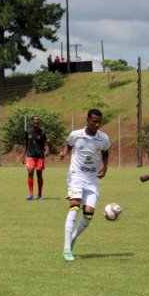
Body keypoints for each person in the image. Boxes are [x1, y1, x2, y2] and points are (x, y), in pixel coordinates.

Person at [60, 109, 110, 262]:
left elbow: (106, 153)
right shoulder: (76, 135)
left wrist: (105, 167)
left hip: (92, 180)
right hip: (76, 176)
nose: (96, 124)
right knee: (74, 206)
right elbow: (69, 145)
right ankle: (67, 249)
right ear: (87, 120)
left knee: (88, 215)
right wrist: (64, 153)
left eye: (98, 122)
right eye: (93, 121)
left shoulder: (103, 138)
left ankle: (73, 238)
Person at [22, 116, 48, 200]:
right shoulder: (27, 132)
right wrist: (24, 156)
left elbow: (45, 144)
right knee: (30, 172)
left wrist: (47, 150)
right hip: (30, 156)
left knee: (39, 175)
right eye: (34, 120)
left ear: (39, 122)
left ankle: (40, 194)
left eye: (37, 121)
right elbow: (25, 144)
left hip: (40, 156)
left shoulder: (42, 132)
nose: (36, 122)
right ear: (32, 122)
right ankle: (31, 194)